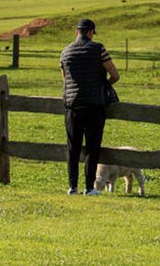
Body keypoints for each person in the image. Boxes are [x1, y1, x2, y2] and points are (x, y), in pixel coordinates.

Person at [60, 18, 119, 196]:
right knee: (93, 148)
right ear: (91, 32)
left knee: (73, 148)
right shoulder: (98, 48)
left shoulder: (65, 52)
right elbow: (115, 75)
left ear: (76, 32)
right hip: (94, 105)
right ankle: (89, 187)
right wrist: (104, 85)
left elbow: (65, 80)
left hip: (73, 105)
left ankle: (72, 187)